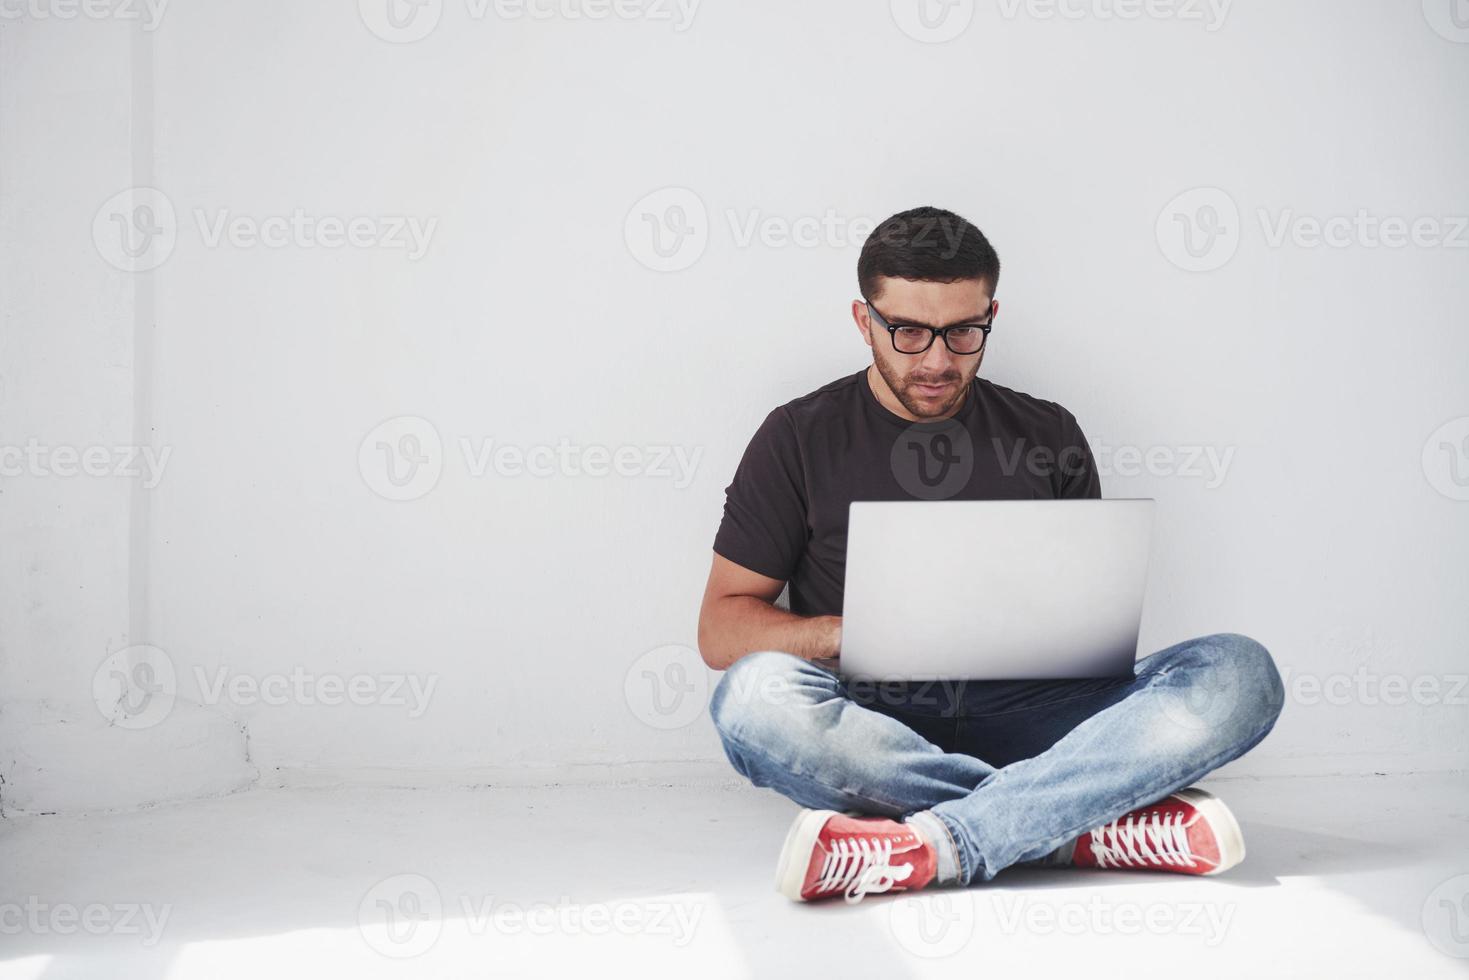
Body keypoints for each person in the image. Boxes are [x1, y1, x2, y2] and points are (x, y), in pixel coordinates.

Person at [697, 206, 1285, 904]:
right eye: (908, 332)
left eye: (964, 332)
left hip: (1046, 722)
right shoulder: (797, 437)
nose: (938, 360)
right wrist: (848, 636)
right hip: (881, 727)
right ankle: (1070, 825)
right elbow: (721, 630)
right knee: (751, 700)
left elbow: (1086, 613)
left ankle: (944, 841)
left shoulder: (1047, 431)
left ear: (990, 315)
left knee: (1237, 673)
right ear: (863, 321)